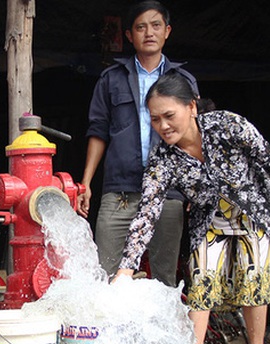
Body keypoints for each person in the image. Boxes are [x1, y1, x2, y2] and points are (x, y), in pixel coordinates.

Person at [115, 73, 270, 344]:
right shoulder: (162, 157)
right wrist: (126, 269)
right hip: (209, 219)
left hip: (254, 209)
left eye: (169, 115)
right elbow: (148, 211)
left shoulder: (228, 126)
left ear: (192, 108)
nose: (163, 126)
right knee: (202, 276)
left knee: (254, 275)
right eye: (155, 119)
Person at [77, 1, 198, 286]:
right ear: (129, 35)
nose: (149, 33)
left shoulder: (182, 81)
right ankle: (109, 331)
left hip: (169, 191)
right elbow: (98, 131)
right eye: (141, 27)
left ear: (167, 31)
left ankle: (159, 331)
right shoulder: (111, 79)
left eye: (156, 25)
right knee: (105, 272)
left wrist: (194, 186)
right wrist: (86, 183)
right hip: (120, 189)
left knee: (165, 276)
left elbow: (193, 135)